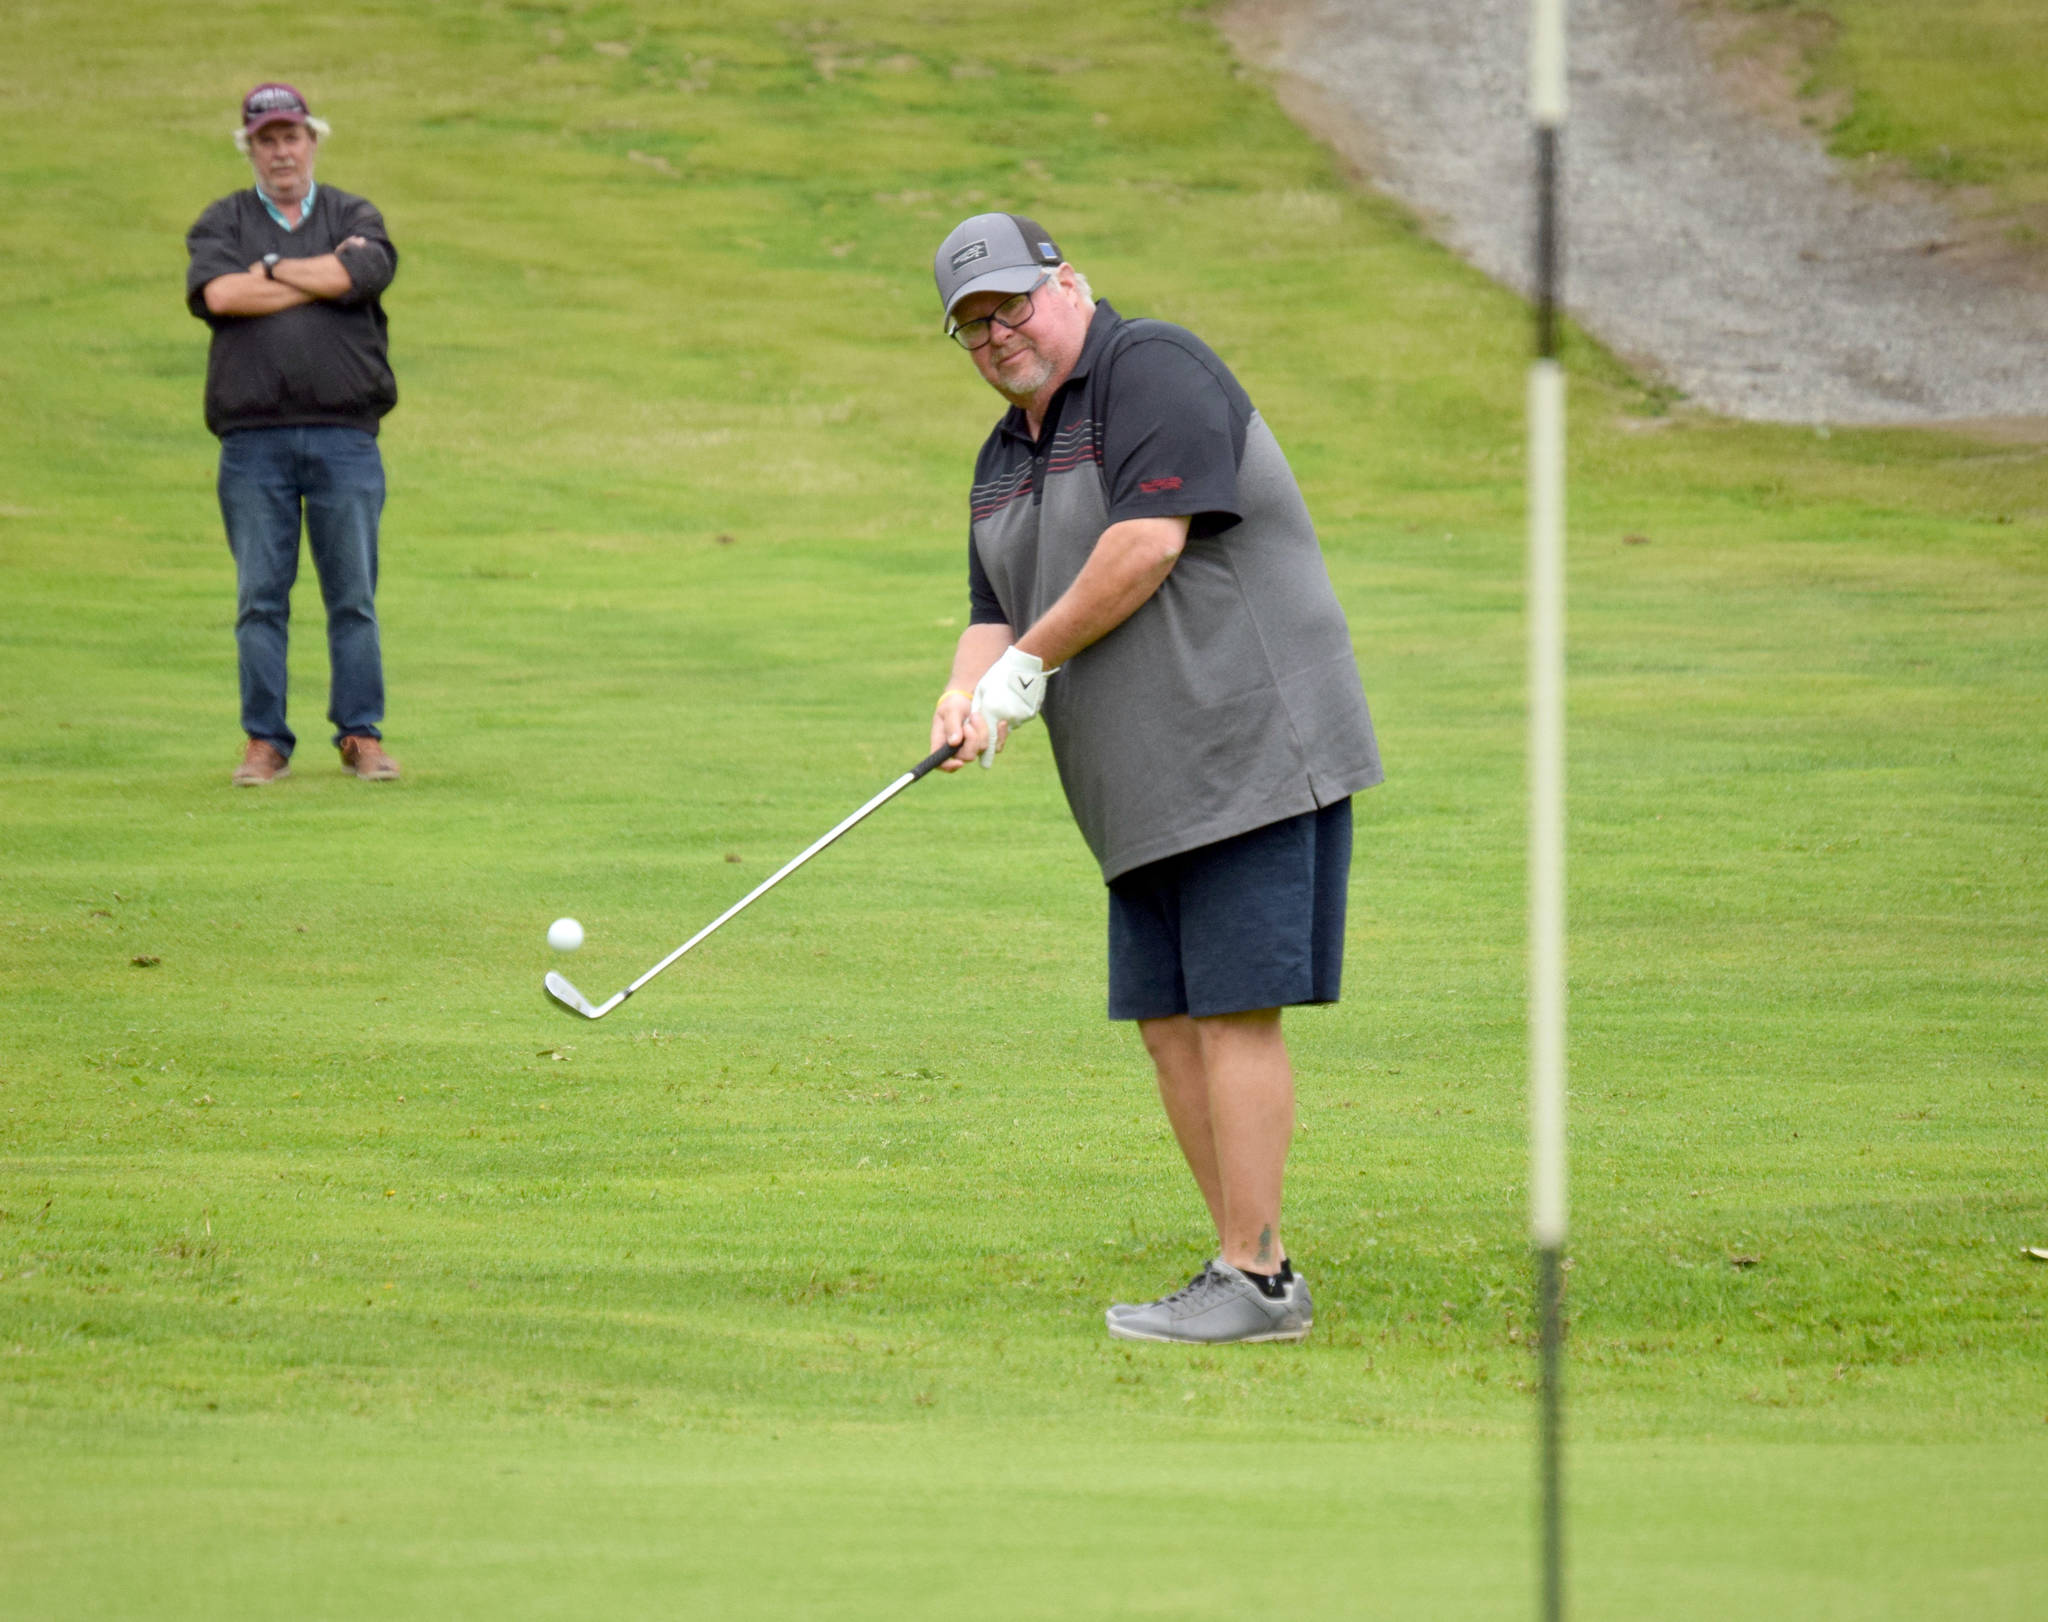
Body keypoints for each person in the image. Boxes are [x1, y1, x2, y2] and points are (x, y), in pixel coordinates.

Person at [926, 214, 1384, 1344]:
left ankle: (1256, 1277)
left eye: (1012, 306)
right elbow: (995, 609)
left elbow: (1146, 542)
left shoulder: (1151, 369)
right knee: (1168, 1021)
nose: (997, 336)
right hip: (1137, 782)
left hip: (1247, 743)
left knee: (1230, 1011)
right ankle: (1244, 1263)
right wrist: (961, 694)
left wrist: (1027, 665)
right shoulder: (1000, 455)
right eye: (971, 326)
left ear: (1068, 283)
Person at [185, 83, 402, 786]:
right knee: (259, 597)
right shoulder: (221, 222)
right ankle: (265, 741)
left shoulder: (354, 212)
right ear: (250, 147)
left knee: (353, 597)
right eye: (267, 139)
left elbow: (364, 270)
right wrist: (323, 278)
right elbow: (220, 294)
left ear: (312, 140)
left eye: (292, 136)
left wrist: (274, 270)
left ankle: (361, 735)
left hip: (345, 438)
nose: (282, 150)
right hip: (253, 443)